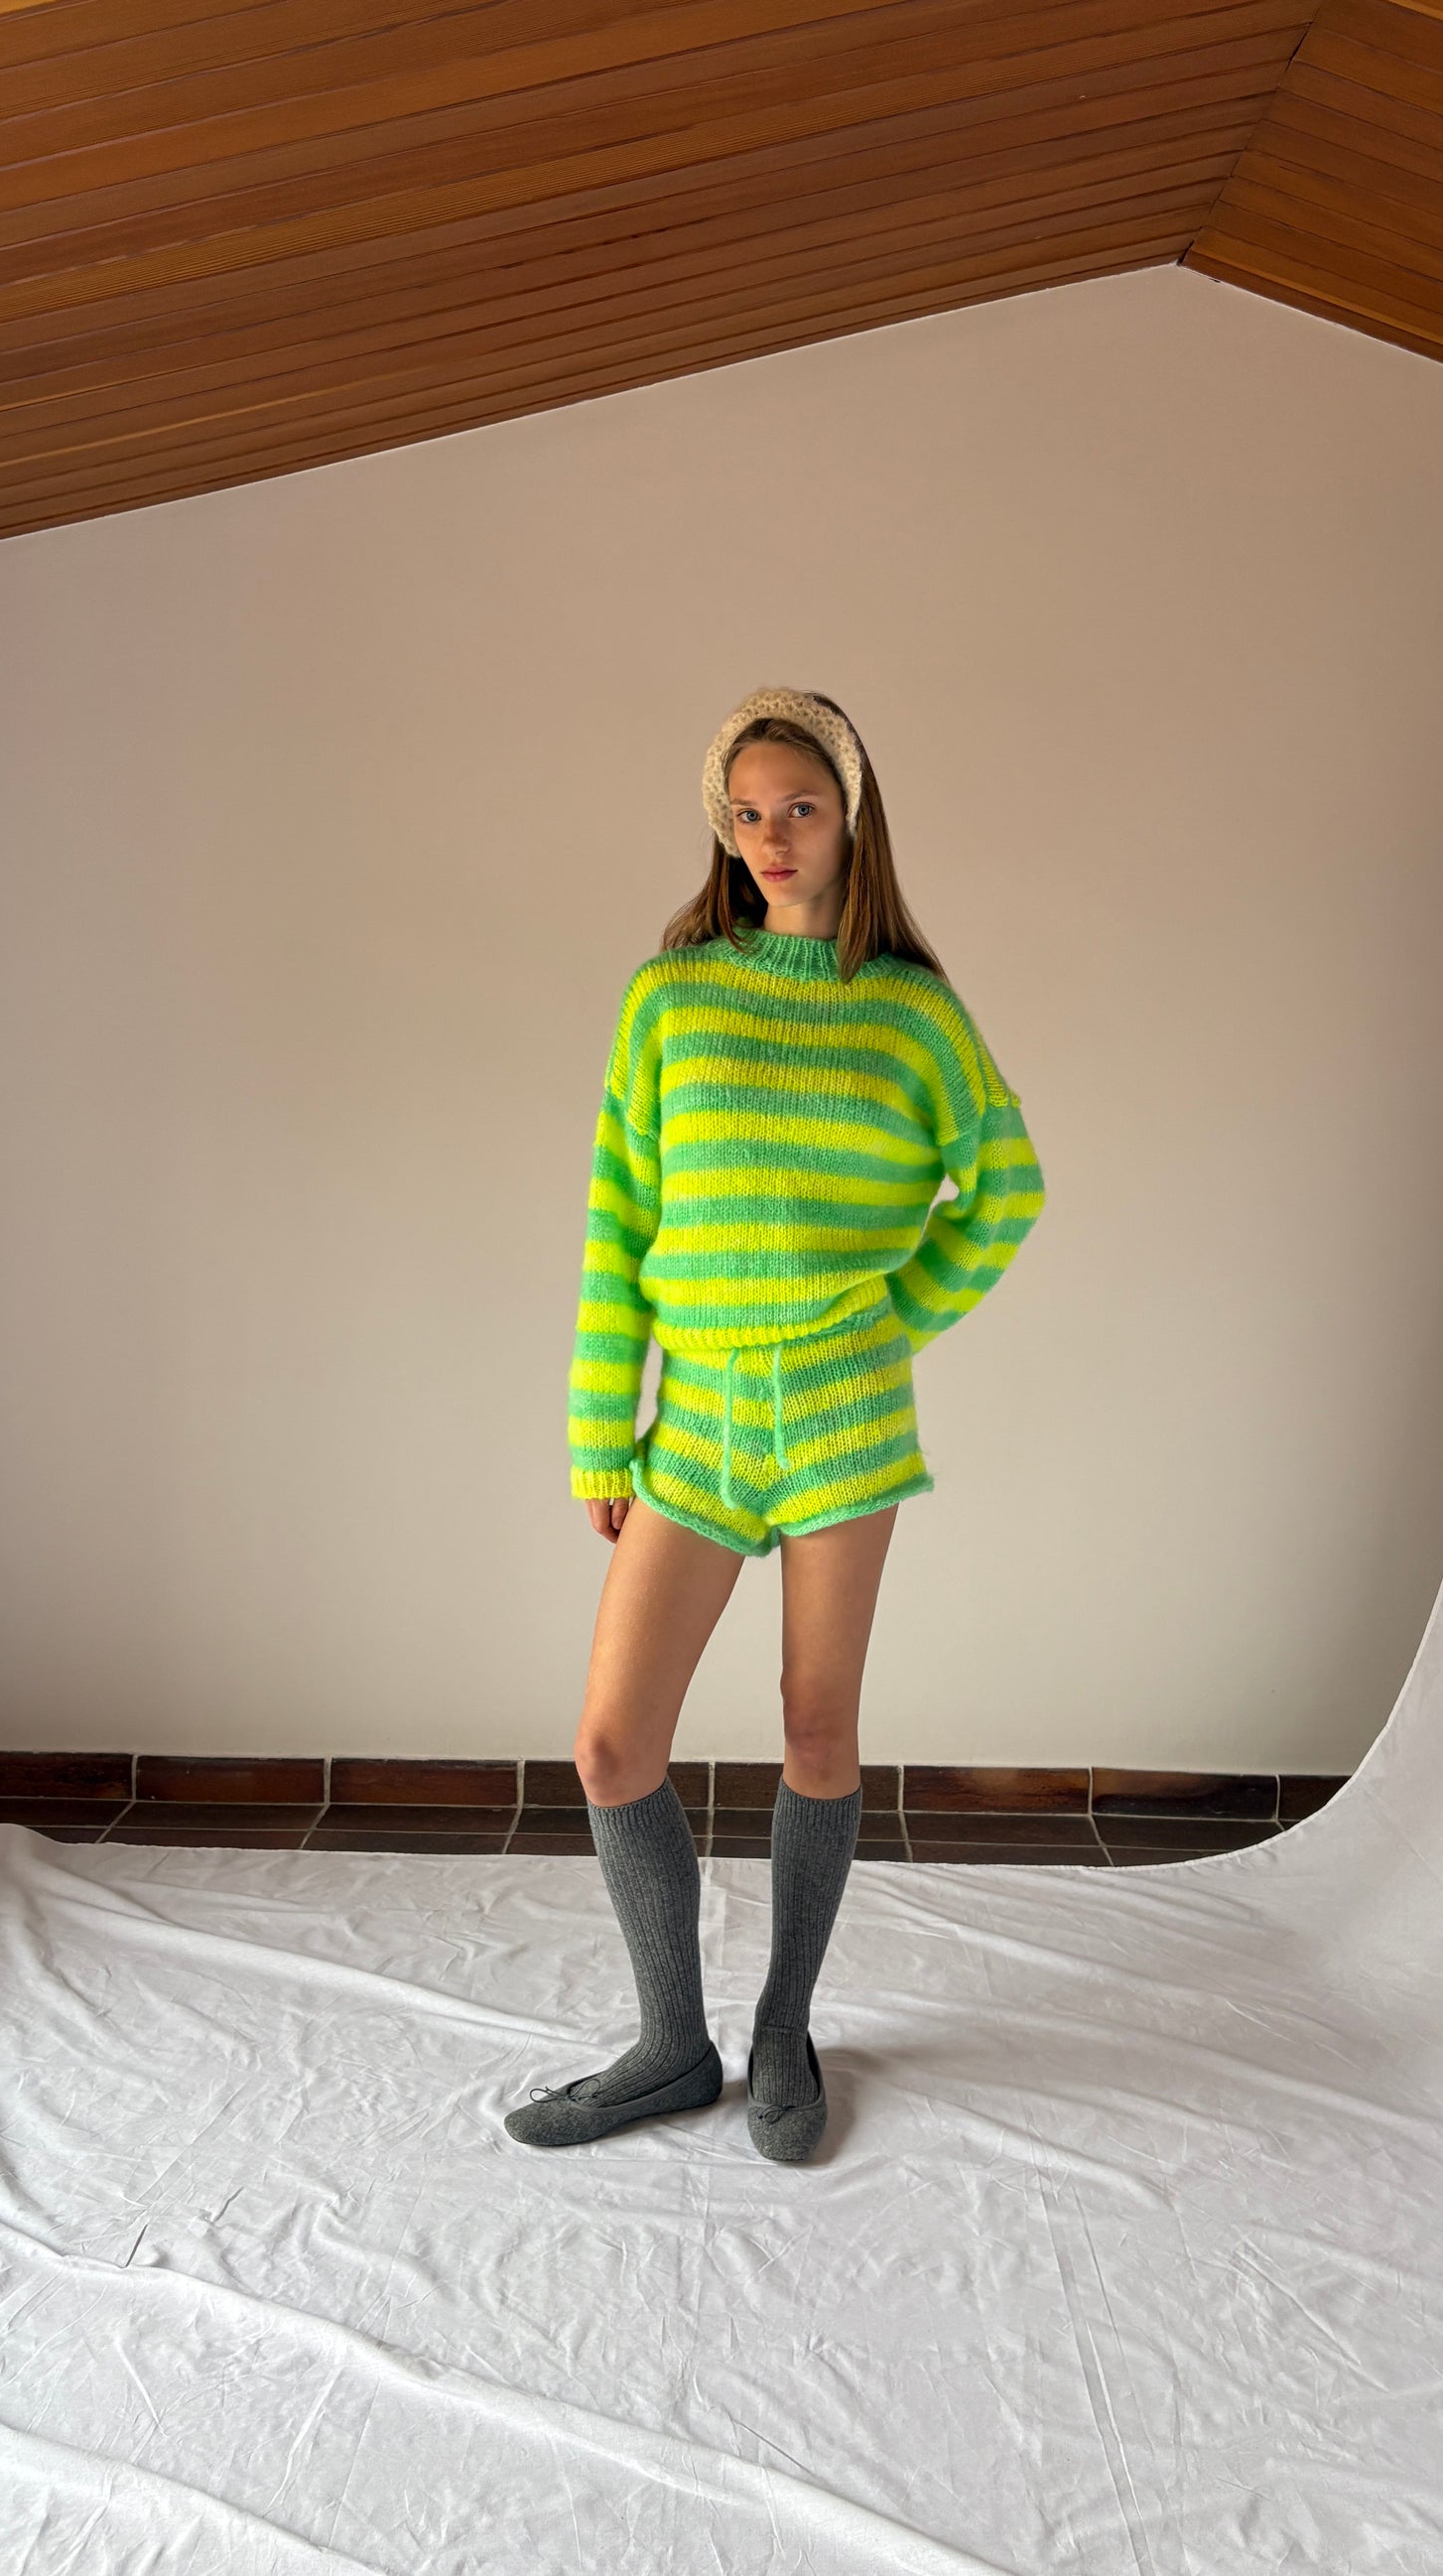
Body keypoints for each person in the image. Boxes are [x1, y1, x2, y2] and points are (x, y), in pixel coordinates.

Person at [504, 685, 1045, 2162]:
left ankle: (783, 2026)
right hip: (692, 1421)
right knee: (612, 1744)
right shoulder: (671, 999)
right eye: (744, 815)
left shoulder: (911, 1012)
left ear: (849, 815)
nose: (770, 838)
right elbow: (619, 1221)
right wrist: (598, 1433)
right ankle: (670, 2047)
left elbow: (1005, 1188)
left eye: (797, 807)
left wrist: (889, 1319)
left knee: (816, 1725)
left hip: (841, 1421)